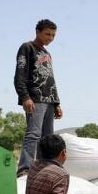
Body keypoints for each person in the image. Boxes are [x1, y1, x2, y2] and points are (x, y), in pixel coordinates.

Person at [14, 18, 63, 176]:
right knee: (33, 134)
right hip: (35, 98)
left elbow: (50, 79)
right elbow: (20, 75)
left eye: (53, 35)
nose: (50, 38)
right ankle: (25, 169)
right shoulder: (27, 48)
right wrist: (25, 97)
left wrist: (56, 103)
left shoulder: (47, 53)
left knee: (48, 139)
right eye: (47, 34)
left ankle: (44, 169)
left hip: (49, 101)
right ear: (38, 32)